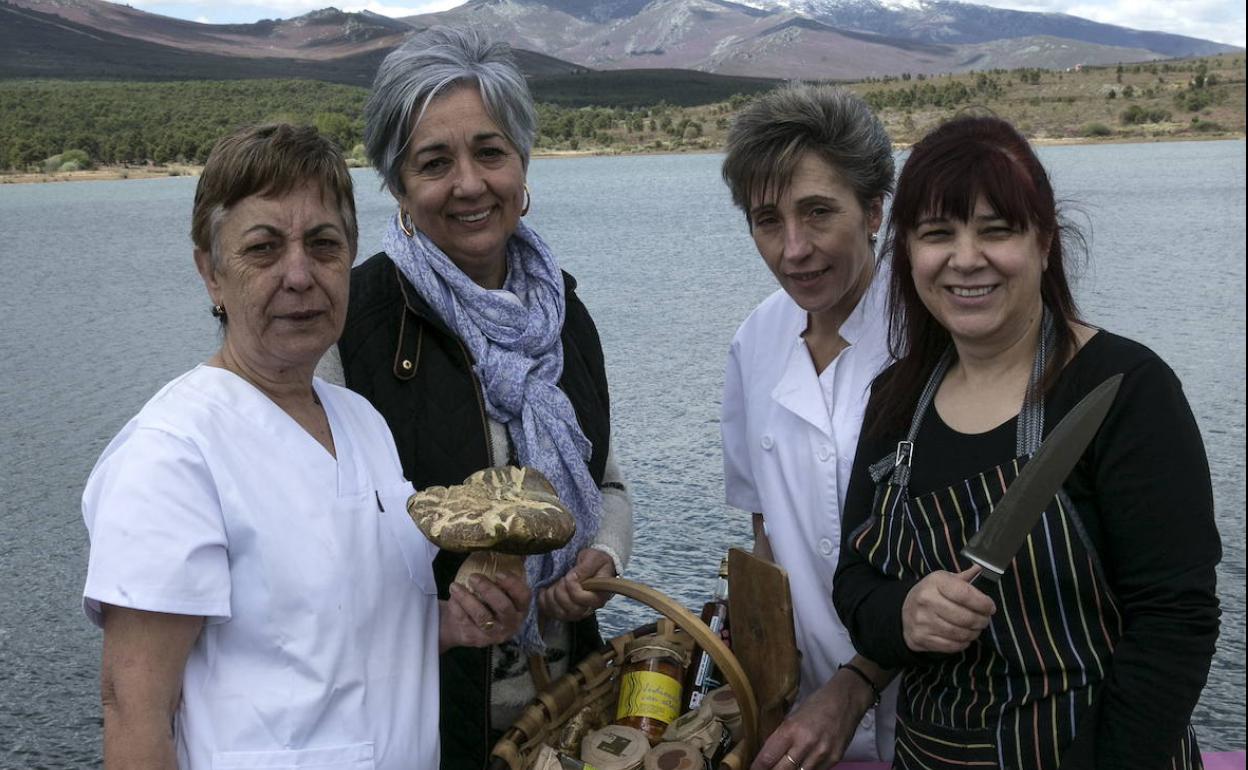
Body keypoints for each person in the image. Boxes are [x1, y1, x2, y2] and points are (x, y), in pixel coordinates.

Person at [80, 124, 530, 770]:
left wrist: (454, 625)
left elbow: (337, 641)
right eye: (263, 249)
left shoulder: (362, 423)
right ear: (211, 272)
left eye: (323, 245)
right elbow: (134, 714)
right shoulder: (173, 455)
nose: (299, 275)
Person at [833, 115, 1221, 769]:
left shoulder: (1124, 389)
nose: (964, 259)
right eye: (937, 235)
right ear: (908, 254)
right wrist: (904, 612)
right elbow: (854, 582)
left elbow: (1175, 622)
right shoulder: (897, 401)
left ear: (1044, 242)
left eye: (995, 230)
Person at [318, 26, 634, 769]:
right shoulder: (353, 326)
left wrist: (601, 558)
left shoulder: (564, 313)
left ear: (522, 167)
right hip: (419, 723)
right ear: (398, 185)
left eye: (489, 152)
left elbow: (609, 483)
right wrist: (437, 609)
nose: (468, 183)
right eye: (434, 162)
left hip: (563, 710)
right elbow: (324, 554)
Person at [719, 83, 899, 770]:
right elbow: (764, 528)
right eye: (768, 220)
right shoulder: (756, 340)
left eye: (818, 213)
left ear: (875, 209)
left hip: (936, 708)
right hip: (804, 719)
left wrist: (856, 686)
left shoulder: (933, 337)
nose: (794, 249)